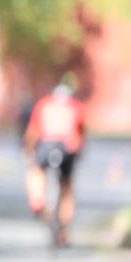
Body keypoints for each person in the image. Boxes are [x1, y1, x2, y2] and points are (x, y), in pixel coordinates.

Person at [24, 76, 85, 247]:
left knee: (36, 170)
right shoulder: (76, 107)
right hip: (68, 148)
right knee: (66, 188)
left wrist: (28, 150)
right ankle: (65, 231)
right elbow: (81, 133)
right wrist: (79, 152)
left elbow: (33, 131)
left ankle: (37, 199)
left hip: (46, 145)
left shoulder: (44, 104)